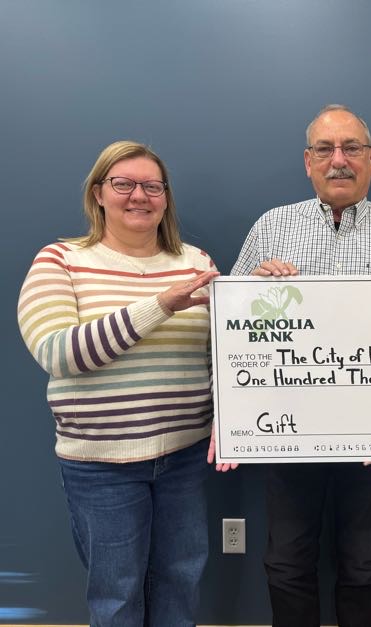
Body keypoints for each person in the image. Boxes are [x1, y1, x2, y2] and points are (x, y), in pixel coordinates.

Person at [222, 104, 371, 627]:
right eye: (325, 149)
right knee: (287, 559)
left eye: (351, 149)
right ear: (308, 161)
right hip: (287, 427)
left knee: (363, 561)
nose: (338, 160)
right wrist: (255, 291)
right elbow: (231, 332)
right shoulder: (271, 228)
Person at [17, 140, 219, 626]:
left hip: (185, 457)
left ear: (165, 198)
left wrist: (264, 296)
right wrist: (160, 306)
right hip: (101, 466)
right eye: (123, 184)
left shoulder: (196, 262)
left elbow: (228, 355)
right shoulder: (59, 260)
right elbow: (59, 353)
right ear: (98, 193)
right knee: (116, 597)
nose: (139, 196)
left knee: (181, 581)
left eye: (152, 186)